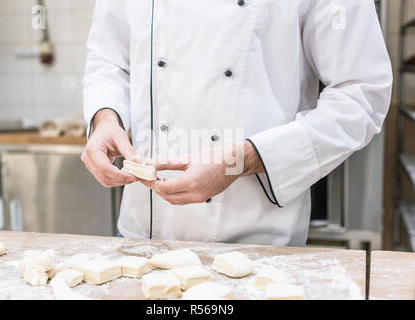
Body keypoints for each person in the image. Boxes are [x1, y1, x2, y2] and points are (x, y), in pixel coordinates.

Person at [81, 0, 392, 246]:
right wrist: (105, 118)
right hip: (143, 236)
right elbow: (108, 59)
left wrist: (240, 160)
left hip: (256, 243)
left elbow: (361, 93)